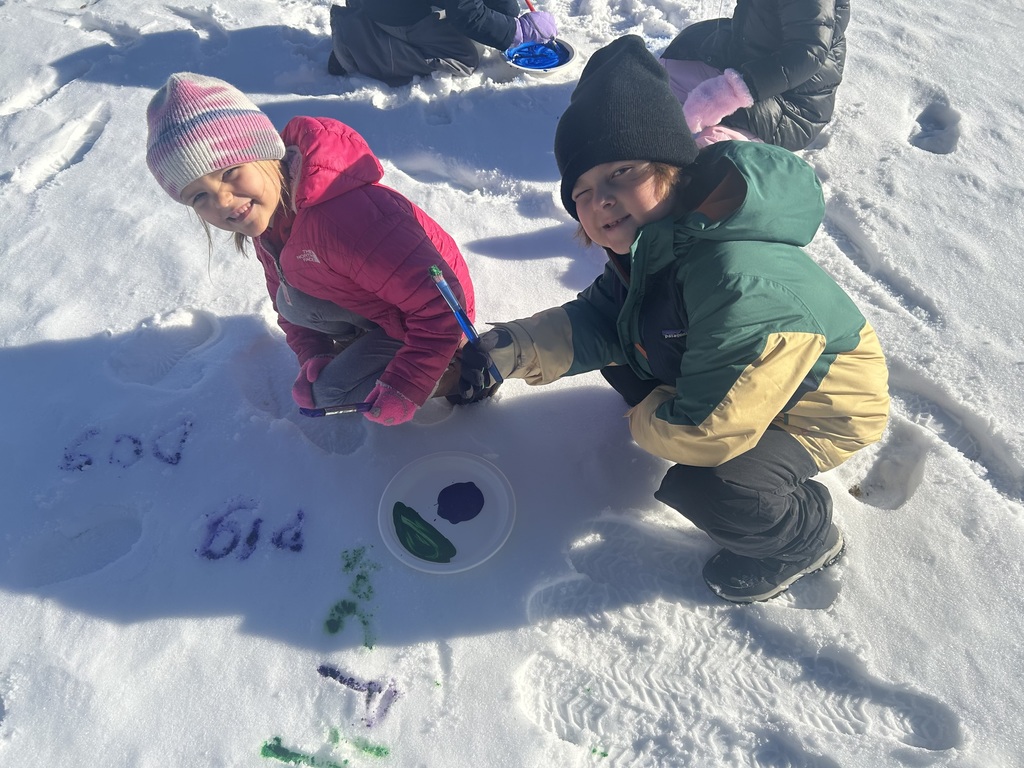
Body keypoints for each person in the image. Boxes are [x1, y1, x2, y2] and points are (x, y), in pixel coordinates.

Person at [457, 36, 889, 603]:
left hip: (819, 407)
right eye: (582, 191)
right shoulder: (654, 247)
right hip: (738, 368)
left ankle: (805, 541)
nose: (601, 199)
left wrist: (649, 415)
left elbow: (707, 433)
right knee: (623, 351)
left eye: (622, 172)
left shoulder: (735, 278)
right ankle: (681, 398)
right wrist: (508, 348)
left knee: (718, 488)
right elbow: (601, 317)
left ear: (672, 169)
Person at [146, 72, 483, 426]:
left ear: (264, 152)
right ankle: (368, 341)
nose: (224, 200)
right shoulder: (267, 214)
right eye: (200, 196)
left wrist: (406, 386)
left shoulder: (345, 218)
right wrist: (313, 353)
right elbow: (282, 292)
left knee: (330, 395)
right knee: (293, 304)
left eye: (230, 171)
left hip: (441, 317)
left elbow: (442, 305)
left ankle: (460, 371)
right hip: (384, 303)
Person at [660, 0, 850, 150]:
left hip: (790, 104)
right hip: (750, 69)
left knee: (713, 151)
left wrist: (734, 90)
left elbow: (807, 53)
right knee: (655, 76)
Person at [328, 0, 558, 86]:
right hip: (393, 10)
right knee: (464, 58)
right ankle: (357, 44)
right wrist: (516, 31)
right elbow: (466, 11)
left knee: (505, 8)